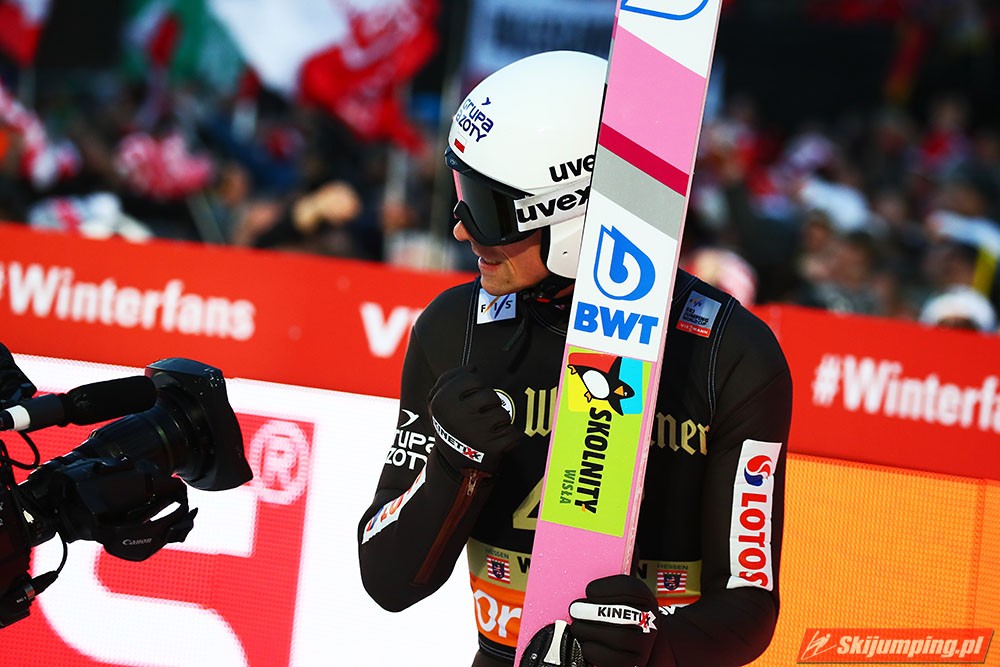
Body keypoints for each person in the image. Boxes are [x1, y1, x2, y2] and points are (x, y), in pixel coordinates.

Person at [357, 50, 793, 667]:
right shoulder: (453, 330)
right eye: (460, 193)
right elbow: (387, 578)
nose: (461, 229)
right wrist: (453, 469)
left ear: (572, 215)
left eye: (485, 207)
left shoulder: (730, 353)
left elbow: (750, 603)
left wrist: (658, 650)